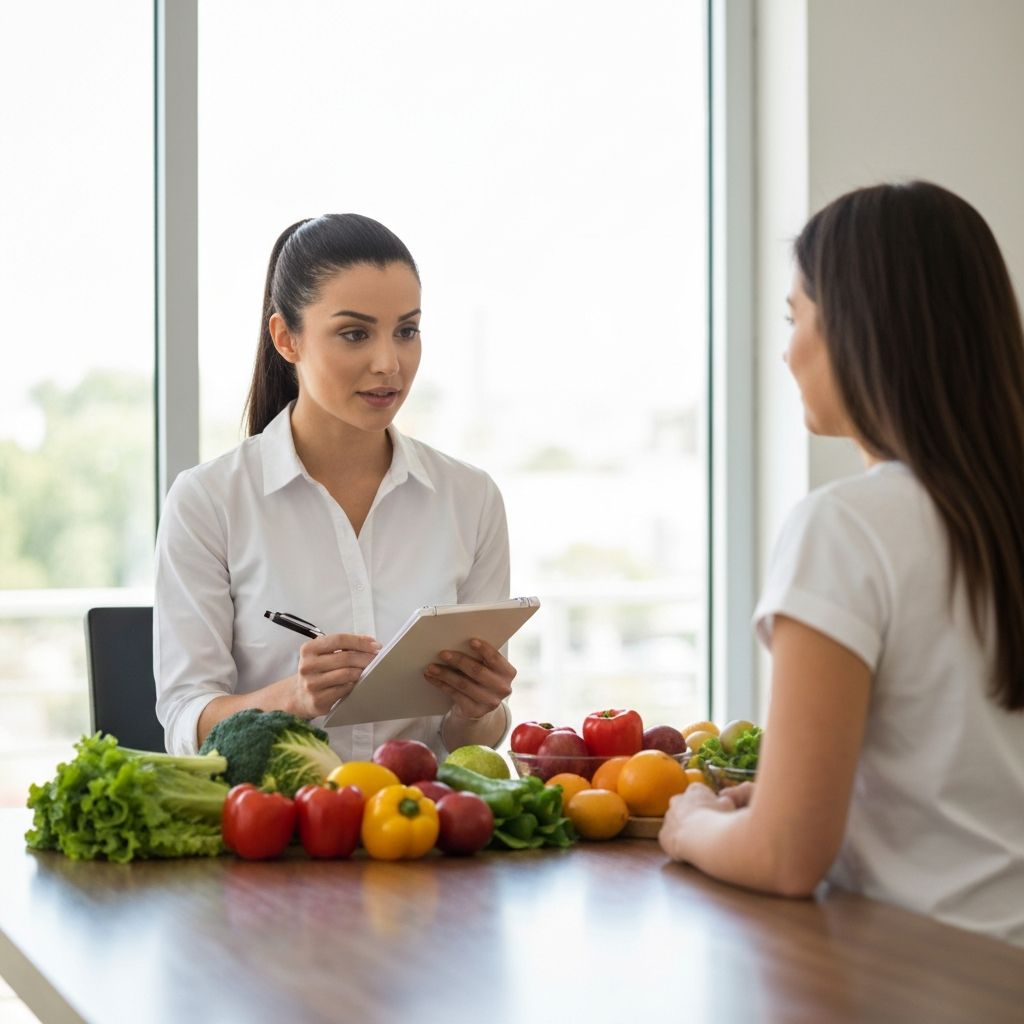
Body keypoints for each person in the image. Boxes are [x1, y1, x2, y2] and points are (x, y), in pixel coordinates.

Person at [659, 181, 1024, 946]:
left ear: (860, 331)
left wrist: (688, 823)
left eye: (797, 318)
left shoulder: (847, 526)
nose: (787, 349)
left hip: (927, 973)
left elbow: (786, 856)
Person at [154, 214, 515, 761]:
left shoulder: (471, 499)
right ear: (286, 338)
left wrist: (478, 710)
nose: (389, 363)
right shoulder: (209, 501)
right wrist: (293, 698)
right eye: (355, 333)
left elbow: (472, 741)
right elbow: (186, 724)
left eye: (407, 331)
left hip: (418, 828)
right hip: (274, 828)